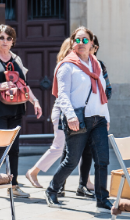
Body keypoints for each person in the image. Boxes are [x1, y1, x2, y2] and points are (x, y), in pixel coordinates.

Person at [45, 27, 111, 211]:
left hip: (98, 119)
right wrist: (71, 116)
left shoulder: (97, 65)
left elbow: (102, 95)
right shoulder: (67, 66)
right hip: (78, 119)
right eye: (77, 40)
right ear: (73, 43)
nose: (81, 44)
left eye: (85, 40)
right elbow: (62, 95)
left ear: (91, 43)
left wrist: (107, 117)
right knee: (71, 161)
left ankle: (102, 198)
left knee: (102, 160)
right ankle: (52, 189)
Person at [0, 24, 42, 198]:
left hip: (16, 109)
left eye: (9, 38)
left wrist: (35, 101)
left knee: (14, 148)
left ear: (13, 41)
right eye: (1, 37)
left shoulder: (16, 59)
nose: (5, 41)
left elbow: (24, 86)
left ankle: (13, 185)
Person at [24, 38, 95, 198]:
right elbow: (63, 95)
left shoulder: (82, 64)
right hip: (63, 112)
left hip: (75, 113)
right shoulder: (66, 65)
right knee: (59, 147)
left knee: (80, 149)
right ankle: (34, 172)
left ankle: (84, 181)